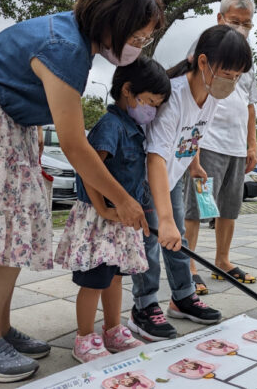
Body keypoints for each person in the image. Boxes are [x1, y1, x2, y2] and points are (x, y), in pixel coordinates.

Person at [0, 0, 163, 382]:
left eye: (145, 40)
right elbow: (75, 145)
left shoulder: (73, 38)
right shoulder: (65, 47)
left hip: (8, 120)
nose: (139, 45)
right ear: (113, 21)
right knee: (7, 229)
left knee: (15, 225)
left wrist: (108, 199)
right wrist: (126, 200)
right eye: (138, 35)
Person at [128, 25, 253, 341]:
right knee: (152, 242)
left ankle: (182, 298)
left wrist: (194, 165)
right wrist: (165, 218)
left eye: (237, 77)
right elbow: (154, 157)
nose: (231, 83)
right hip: (147, 181)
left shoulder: (211, 96)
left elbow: (194, 135)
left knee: (178, 240)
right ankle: (143, 308)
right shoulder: (173, 96)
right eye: (227, 73)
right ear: (202, 62)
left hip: (173, 176)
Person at [54, 57, 171, 362]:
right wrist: (103, 209)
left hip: (121, 219)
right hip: (99, 218)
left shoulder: (133, 128)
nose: (153, 110)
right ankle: (84, 338)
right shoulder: (111, 126)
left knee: (116, 276)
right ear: (128, 91)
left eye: (158, 105)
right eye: (150, 101)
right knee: (94, 279)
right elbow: (87, 168)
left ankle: (113, 329)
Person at [183, 0, 257, 294]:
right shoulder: (207, 46)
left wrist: (251, 144)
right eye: (235, 21)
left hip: (236, 146)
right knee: (196, 208)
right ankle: (188, 266)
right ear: (220, 19)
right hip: (208, 142)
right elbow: (191, 96)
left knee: (230, 207)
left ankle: (222, 261)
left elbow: (250, 104)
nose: (241, 28)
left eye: (247, 24)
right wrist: (194, 148)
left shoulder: (247, 57)